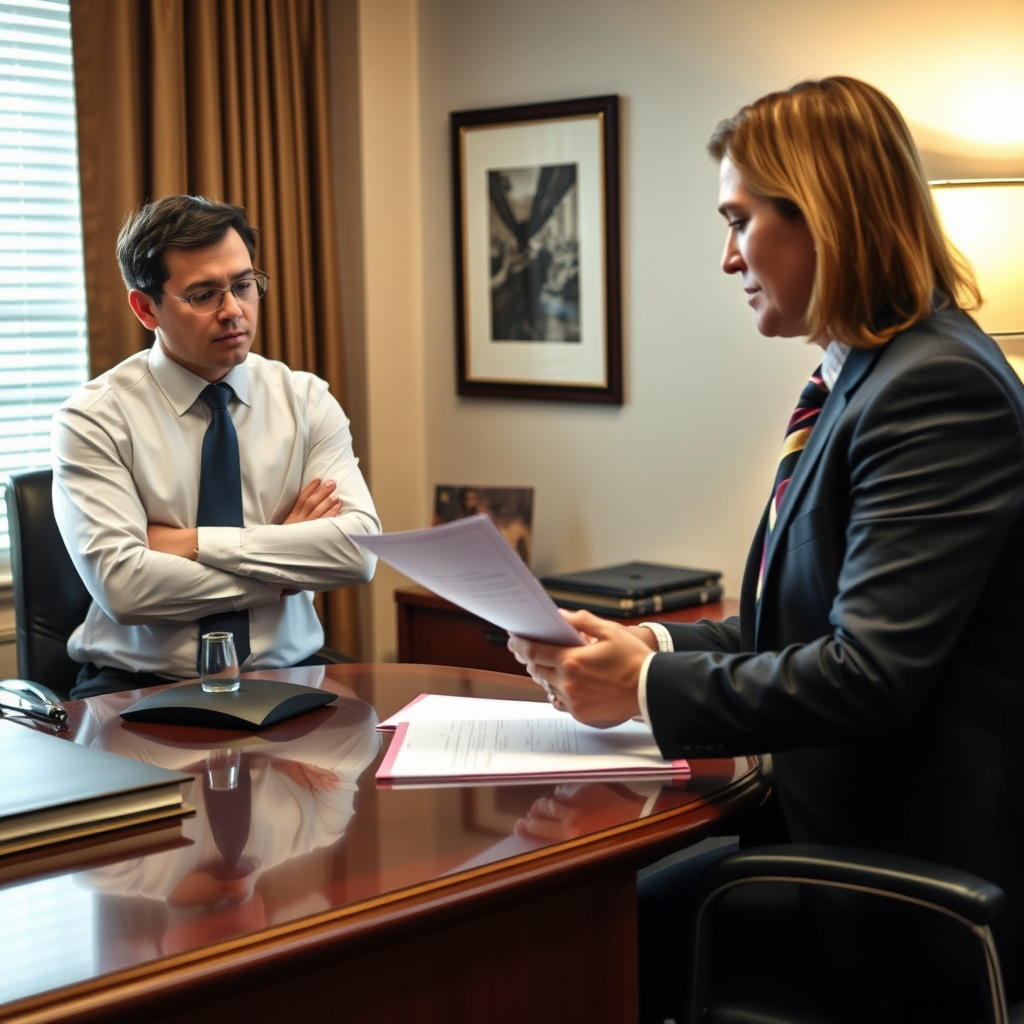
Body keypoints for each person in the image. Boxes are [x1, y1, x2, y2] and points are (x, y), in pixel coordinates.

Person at [508, 76, 1024, 1022]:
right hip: (830, 844)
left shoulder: (935, 390)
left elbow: (867, 674)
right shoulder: (866, 379)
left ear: (824, 216)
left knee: (559, 943)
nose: (727, 257)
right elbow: (805, 622)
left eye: (740, 221)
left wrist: (643, 690)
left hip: (899, 895)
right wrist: (650, 645)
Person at [52, 195, 381, 699]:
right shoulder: (93, 419)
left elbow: (357, 553)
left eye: (244, 286)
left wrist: (195, 543)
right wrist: (283, 571)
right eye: (203, 294)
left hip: (290, 676)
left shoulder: (306, 400)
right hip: (137, 688)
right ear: (146, 308)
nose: (233, 311)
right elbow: (124, 588)